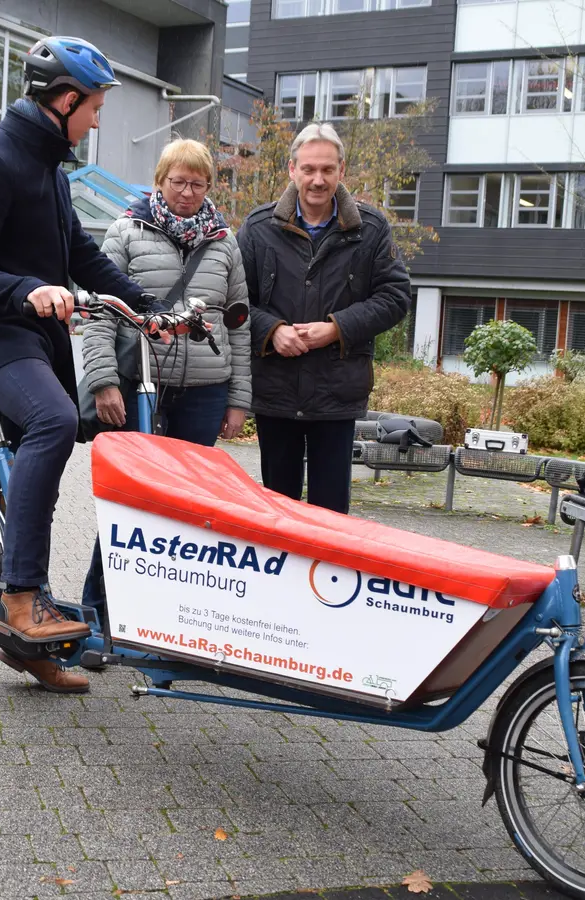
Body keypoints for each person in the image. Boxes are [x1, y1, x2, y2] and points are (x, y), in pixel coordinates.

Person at [0, 36, 164, 694]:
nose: (96, 120)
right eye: (93, 107)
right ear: (64, 102)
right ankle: (21, 593)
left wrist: (149, 307)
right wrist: (23, 289)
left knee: (64, 439)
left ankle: (27, 648)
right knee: (54, 422)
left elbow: (82, 258)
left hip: (31, 338)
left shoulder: (49, 172)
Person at [78, 137, 252, 615]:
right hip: (139, 387)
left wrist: (239, 399)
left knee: (189, 507)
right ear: (159, 181)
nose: (187, 192)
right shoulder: (126, 232)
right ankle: (97, 610)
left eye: (198, 184)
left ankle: (165, 619)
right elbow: (99, 313)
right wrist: (104, 382)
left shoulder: (224, 242)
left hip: (205, 392)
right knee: (129, 500)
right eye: (178, 182)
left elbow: (239, 321)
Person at [236, 121, 411, 514]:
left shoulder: (371, 230)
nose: (318, 179)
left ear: (342, 171)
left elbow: (396, 296)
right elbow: (234, 300)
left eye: (327, 170)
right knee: (277, 512)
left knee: (330, 515)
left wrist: (336, 329)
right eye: (309, 169)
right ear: (292, 170)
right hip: (277, 391)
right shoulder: (258, 228)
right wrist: (271, 330)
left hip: (337, 393)